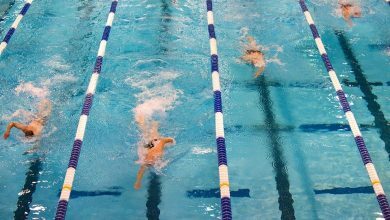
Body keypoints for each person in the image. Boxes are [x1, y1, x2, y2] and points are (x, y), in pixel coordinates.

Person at [134, 114, 174, 190]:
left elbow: (164, 140)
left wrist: (171, 140)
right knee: (146, 131)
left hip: (154, 141)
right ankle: (141, 117)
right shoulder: (147, 160)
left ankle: (150, 119)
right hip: (151, 144)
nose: (151, 162)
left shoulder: (159, 148)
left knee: (151, 131)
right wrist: (138, 182)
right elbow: (141, 171)